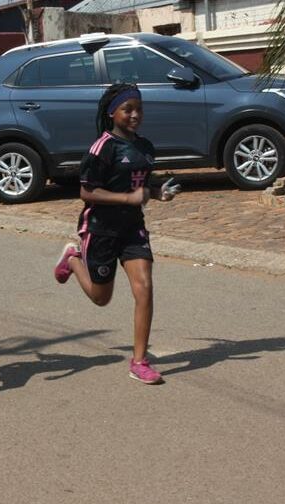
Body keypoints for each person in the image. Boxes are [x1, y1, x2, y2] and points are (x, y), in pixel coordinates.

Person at [53, 83, 181, 385]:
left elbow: (141, 188)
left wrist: (158, 192)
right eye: (128, 109)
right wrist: (127, 198)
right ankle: (73, 258)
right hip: (101, 229)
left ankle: (139, 361)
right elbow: (87, 191)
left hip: (132, 228)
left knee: (145, 286)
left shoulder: (145, 147)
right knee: (101, 297)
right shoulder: (103, 148)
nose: (135, 114)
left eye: (139, 108)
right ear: (113, 113)